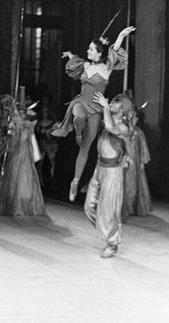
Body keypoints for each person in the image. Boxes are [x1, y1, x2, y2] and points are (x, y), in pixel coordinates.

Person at [52, 26, 135, 201]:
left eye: (91, 49)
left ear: (99, 53)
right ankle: (78, 133)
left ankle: (75, 181)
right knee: (78, 117)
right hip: (81, 102)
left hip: (97, 109)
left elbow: (115, 50)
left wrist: (120, 35)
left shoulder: (107, 68)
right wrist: (69, 56)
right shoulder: (85, 64)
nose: (87, 51)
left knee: (86, 148)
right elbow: (76, 59)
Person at [84, 92, 133, 258]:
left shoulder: (123, 128)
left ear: (123, 110)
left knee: (109, 210)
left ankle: (112, 243)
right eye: (112, 100)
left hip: (112, 172)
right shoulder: (106, 121)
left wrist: (105, 107)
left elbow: (111, 128)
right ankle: (106, 233)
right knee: (89, 207)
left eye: (117, 102)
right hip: (99, 168)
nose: (112, 102)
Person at [0, 95, 44, 216]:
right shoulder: (12, 120)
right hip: (16, 151)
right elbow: (14, 137)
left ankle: (19, 205)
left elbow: (20, 137)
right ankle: (15, 205)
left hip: (22, 152)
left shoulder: (18, 121)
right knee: (15, 174)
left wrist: (23, 129)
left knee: (21, 175)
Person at [122, 108, 152, 221]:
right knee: (126, 183)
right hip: (125, 160)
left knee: (135, 184)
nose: (132, 120)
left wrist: (142, 161)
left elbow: (143, 147)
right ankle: (125, 208)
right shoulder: (124, 130)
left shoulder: (138, 132)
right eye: (130, 118)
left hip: (135, 161)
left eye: (134, 118)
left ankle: (134, 207)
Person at [35, 94, 58, 187]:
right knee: (40, 164)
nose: (45, 112)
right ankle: (40, 182)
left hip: (51, 147)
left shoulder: (53, 124)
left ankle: (51, 181)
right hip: (41, 147)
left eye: (46, 110)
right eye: (43, 110)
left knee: (52, 164)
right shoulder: (37, 124)